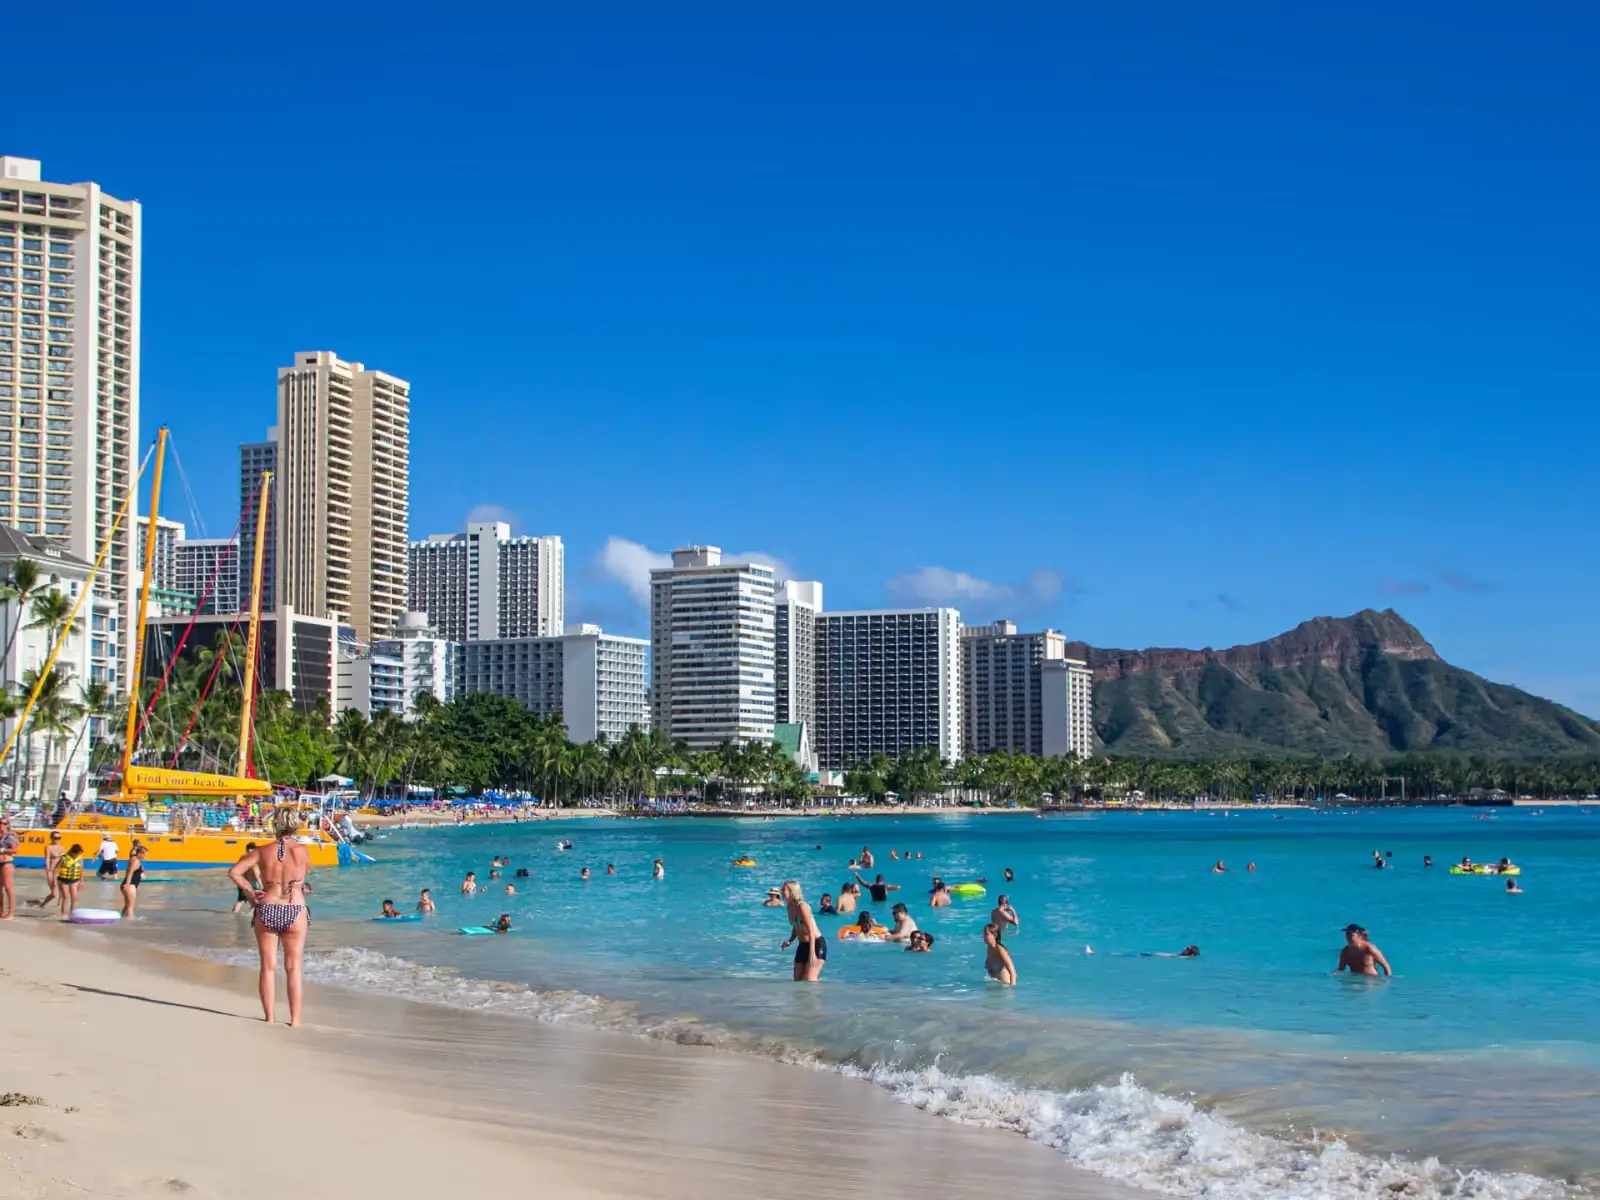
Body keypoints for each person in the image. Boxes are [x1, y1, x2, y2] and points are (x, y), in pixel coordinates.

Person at [228, 809, 313, 1026]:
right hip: (295, 909)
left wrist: (249, 890)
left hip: (268, 907)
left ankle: (270, 1017)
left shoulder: (263, 851)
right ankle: (295, 1020)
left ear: (275, 825)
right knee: (293, 967)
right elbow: (302, 877)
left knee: (268, 966)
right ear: (295, 825)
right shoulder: (303, 852)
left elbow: (235, 872)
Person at [780, 880, 826, 983]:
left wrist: (812, 953)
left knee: (809, 981)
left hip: (816, 944)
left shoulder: (802, 906)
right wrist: (790, 941)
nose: (781, 891)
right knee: (797, 981)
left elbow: (811, 929)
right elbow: (796, 926)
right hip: (802, 945)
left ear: (792, 891)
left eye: (784, 889)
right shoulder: (789, 907)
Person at [34, 830, 64, 909]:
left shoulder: (62, 847)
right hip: (51, 871)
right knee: (54, 894)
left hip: (60, 872)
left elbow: (63, 860)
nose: (57, 839)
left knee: (63, 892)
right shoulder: (48, 847)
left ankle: (58, 908)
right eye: (55, 837)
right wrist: (48, 872)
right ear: (51, 838)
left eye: (59, 837)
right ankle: (42, 905)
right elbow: (47, 859)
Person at [56, 843, 85, 917]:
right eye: (77, 853)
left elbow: (81, 869)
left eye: (79, 853)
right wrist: (54, 879)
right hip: (63, 880)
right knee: (65, 897)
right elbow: (57, 868)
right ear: (72, 852)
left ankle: (73, 913)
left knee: (74, 897)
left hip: (74, 880)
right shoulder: (64, 857)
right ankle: (63, 913)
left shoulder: (80, 858)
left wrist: (82, 881)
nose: (78, 854)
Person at [232, 843, 261, 914]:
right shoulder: (252, 858)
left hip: (241, 881)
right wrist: (260, 883)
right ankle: (249, 916)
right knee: (256, 902)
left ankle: (234, 915)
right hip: (252, 883)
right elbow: (256, 872)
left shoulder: (242, 857)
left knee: (241, 901)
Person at [119, 845, 146, 918]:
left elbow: (136, 874)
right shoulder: (134, 860)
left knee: (128, 905)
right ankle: (131, 921)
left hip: (132, 885)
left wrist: (137, 885)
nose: (145, 856)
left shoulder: (137, 861)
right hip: (129, 885)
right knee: (130, 905)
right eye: (144, 854)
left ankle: (121, 918)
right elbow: (129, 872)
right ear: (140, 853)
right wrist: (127, 884)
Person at [0, 816, 18, 920]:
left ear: (8, 825)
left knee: (8, 887)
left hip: (7, 862)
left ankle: (11, 912)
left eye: (4, 823)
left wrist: (3, 850)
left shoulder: (10, 836)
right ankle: (2, 911)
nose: (2, 825)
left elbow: (15, 850)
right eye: (0, 823)